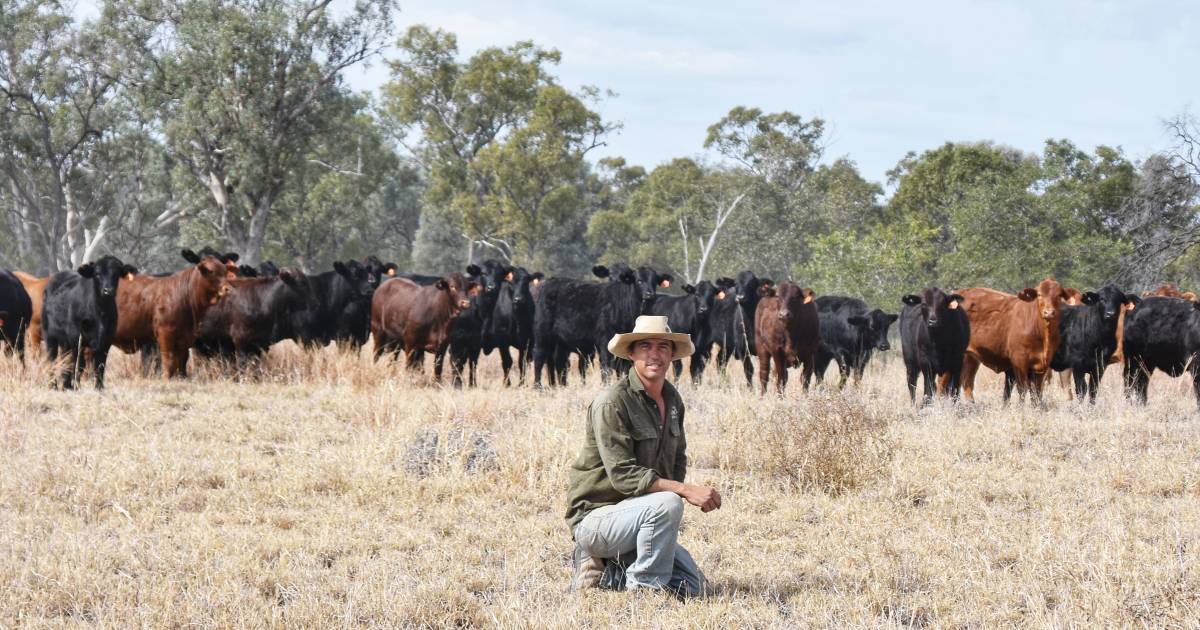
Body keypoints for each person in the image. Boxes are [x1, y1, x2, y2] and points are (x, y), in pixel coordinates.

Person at [565, 315, 722, 597]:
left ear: (672, 354)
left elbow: (677, 460)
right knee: (668, 503)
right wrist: (683, 491)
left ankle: (609, 570)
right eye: (645, 346)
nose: (654, 354)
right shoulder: (612, 402)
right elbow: (624, 476)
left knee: (693, 588)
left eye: (663, 346)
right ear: (631, 353)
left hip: (641, 515)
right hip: (597, 519)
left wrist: (667, 503)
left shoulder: (673, 400)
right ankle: (643, 592)